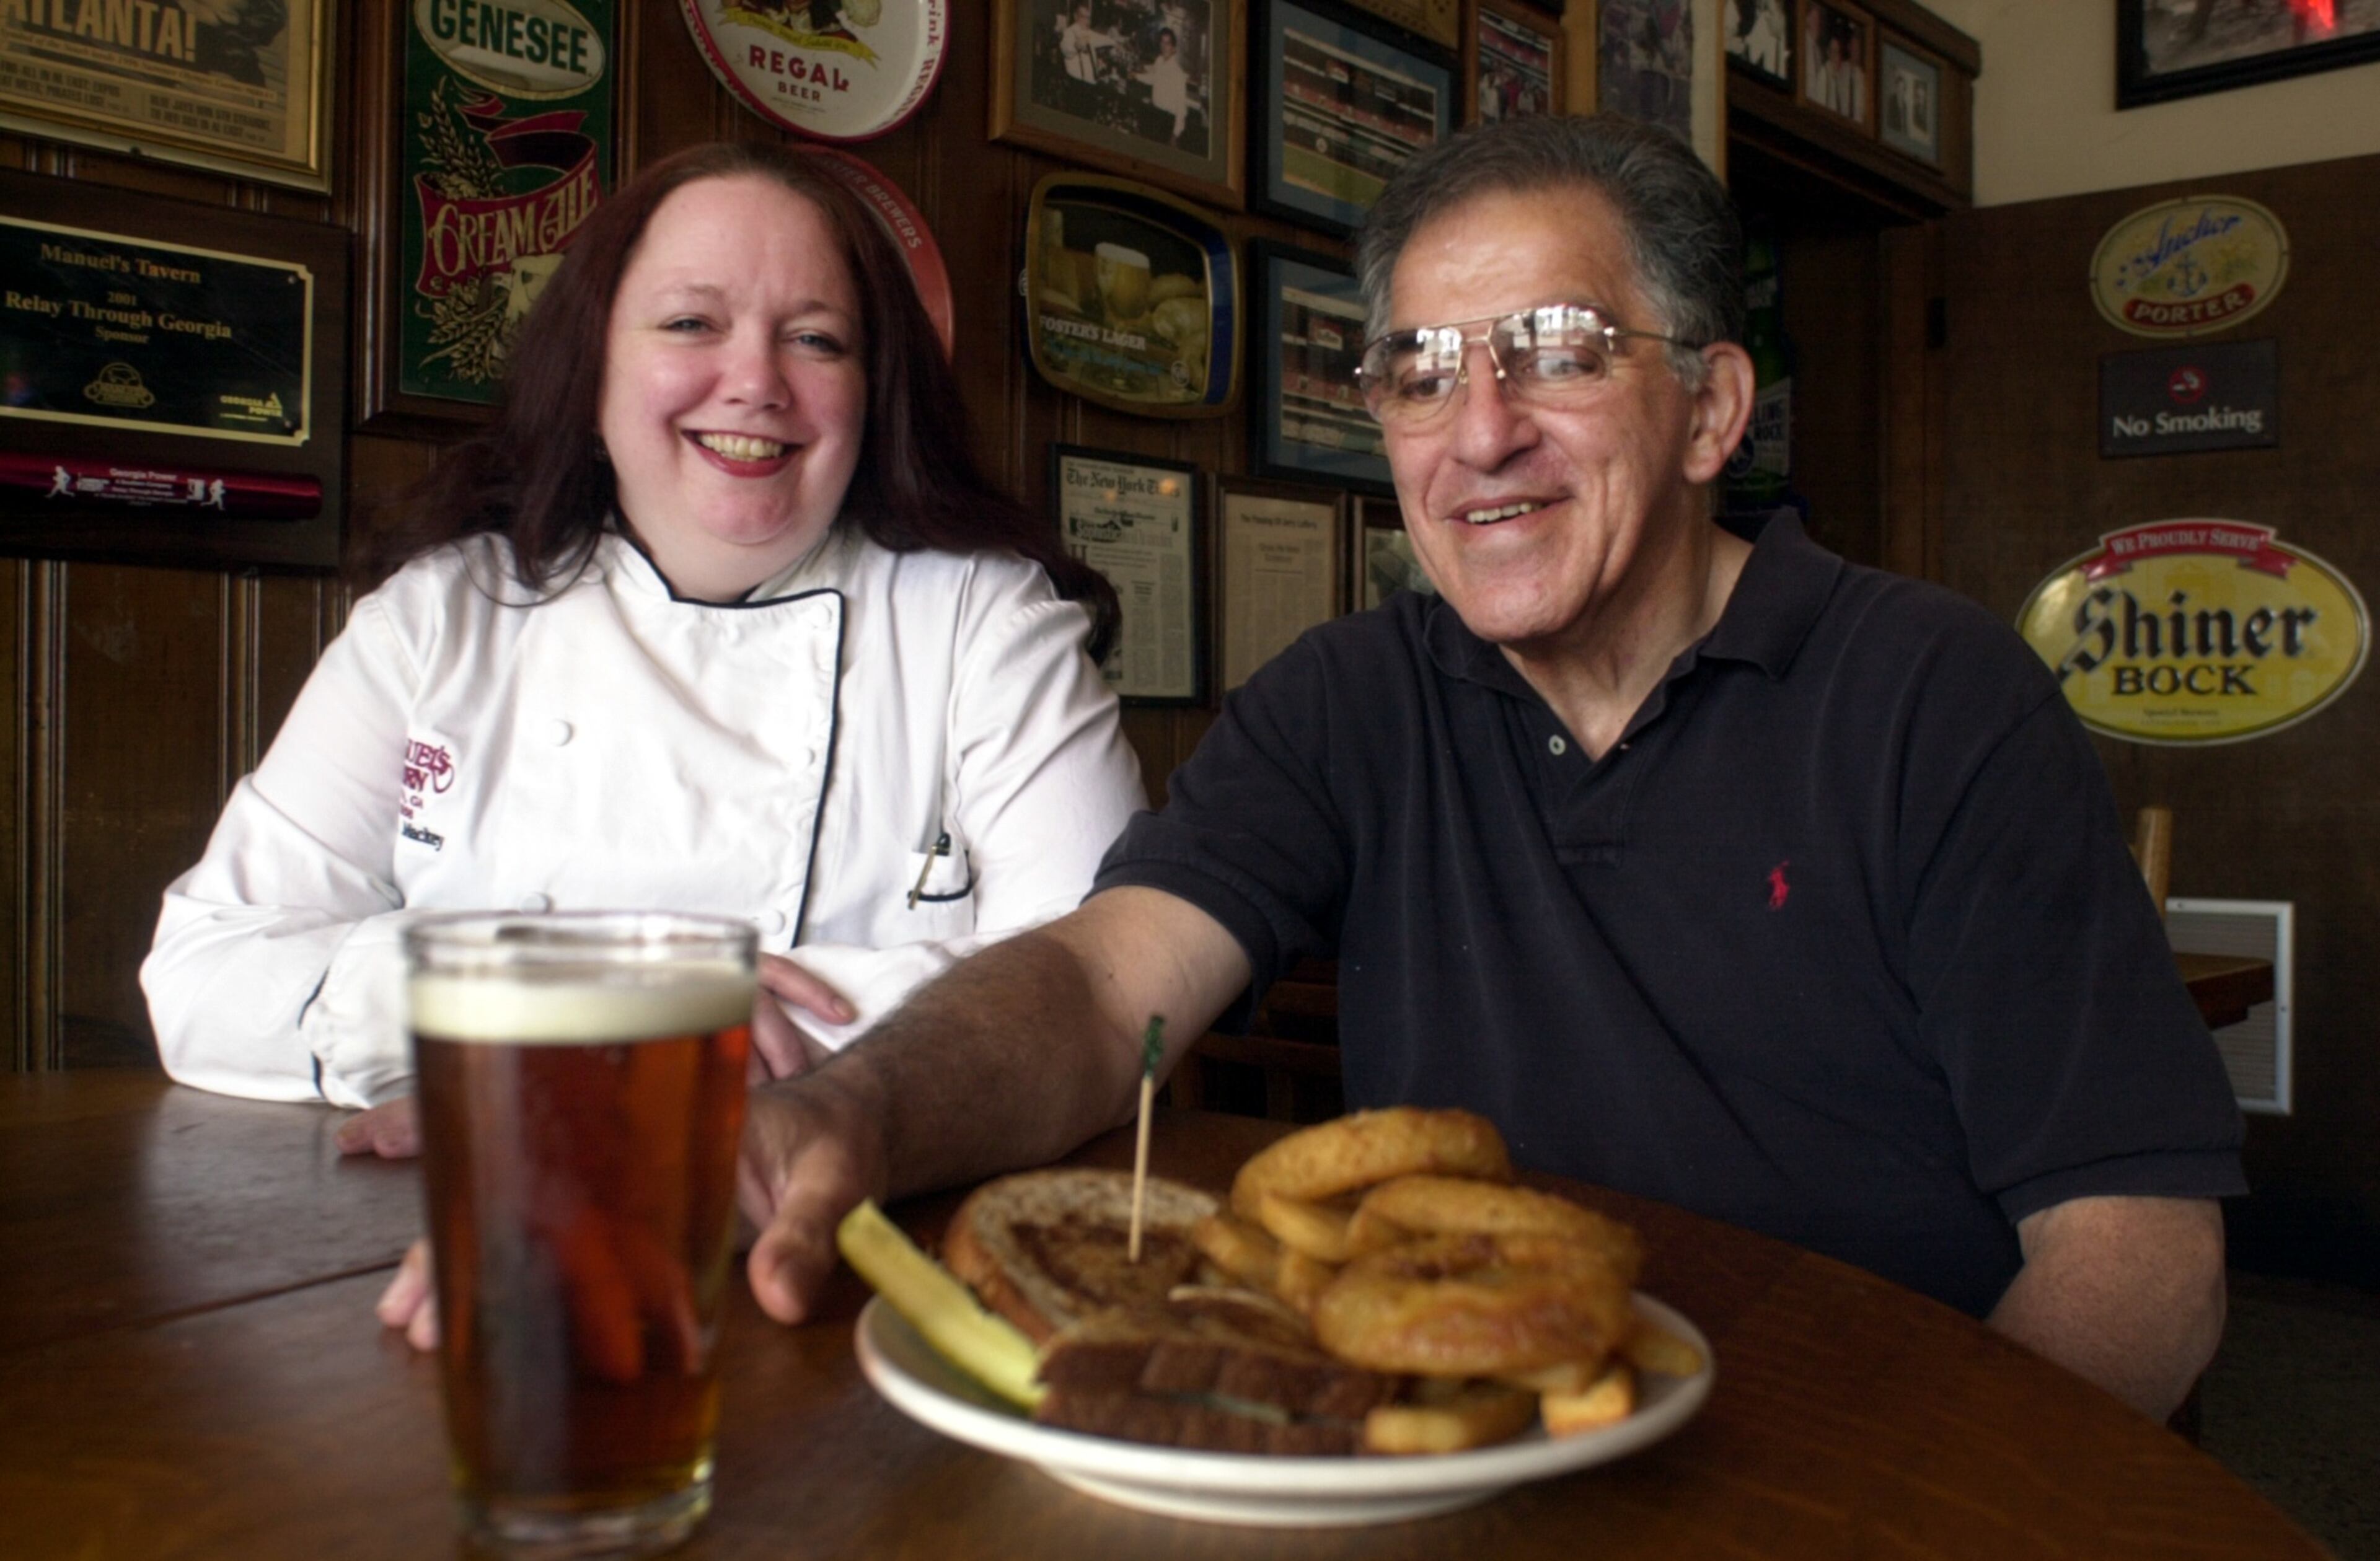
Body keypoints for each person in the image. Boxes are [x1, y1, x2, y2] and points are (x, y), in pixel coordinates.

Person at [417, 118, 2246, 1425]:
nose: (1482, 434)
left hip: (1854, 1474)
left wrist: (1916, 1522)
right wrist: (849, 1118)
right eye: (1421, 373)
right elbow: (1096, 989)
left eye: (1555, 355)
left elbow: (2137, 1258)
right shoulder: (1350, 700)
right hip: (1454, 1471)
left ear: (1710, 410)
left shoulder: (1939, 701)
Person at [141, 141, 1144, 1143]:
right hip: (476, 1235)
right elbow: (207, 977)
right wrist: (557, 990)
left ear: (872, 393)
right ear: (591, 373)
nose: (755, 381)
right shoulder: (438, 622)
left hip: (869, 1222)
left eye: (816, 339)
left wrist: (612, 1040)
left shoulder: (986, 626)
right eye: (690, 323)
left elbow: (1102, 987)